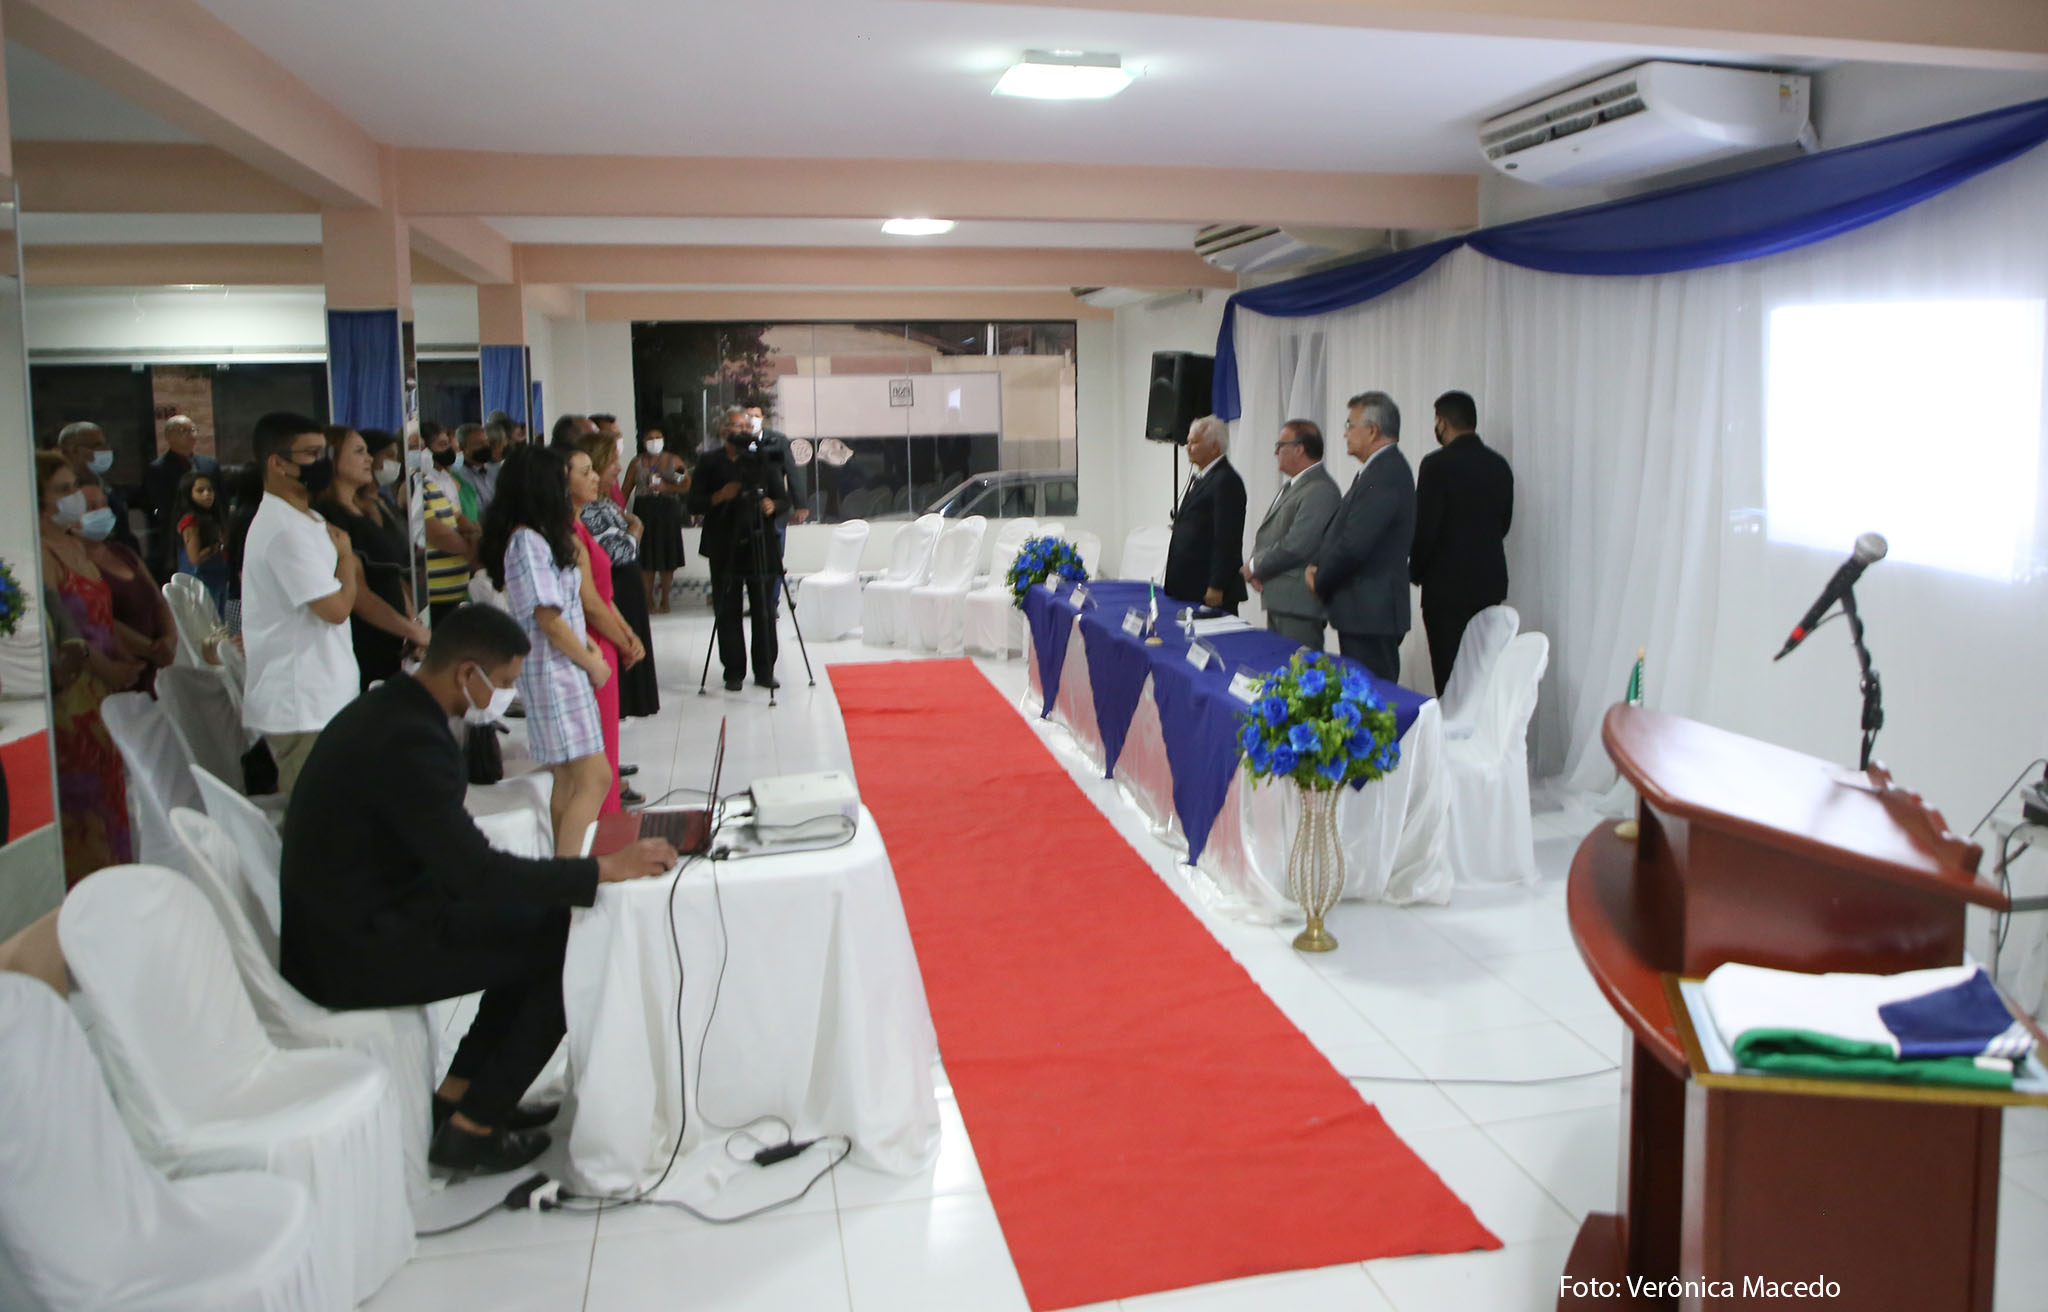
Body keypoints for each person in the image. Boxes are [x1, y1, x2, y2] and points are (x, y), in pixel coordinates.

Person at [277, 604, 676, 1175]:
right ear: (468, 672)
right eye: (505, 682)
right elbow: (476, 875)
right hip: (355, 950)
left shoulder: (394, 711)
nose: (506, 695)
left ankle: (460, 1096)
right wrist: (600, 871)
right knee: (568, 946)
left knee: (542, 928)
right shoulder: (410, 741)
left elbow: (458, 864)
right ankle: (474, 1128)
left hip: (363, 917)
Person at [481, 446, 613, 855]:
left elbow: (565, 608)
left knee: (569, 780)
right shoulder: (527, 541)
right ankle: (570, 872)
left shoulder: (540, 536)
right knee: (595, 778)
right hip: (555, 672)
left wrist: (586, 646)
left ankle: (564, 865)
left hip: (561, 665)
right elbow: (548, 619)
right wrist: (590, 661)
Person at [239, 412, 363, 802]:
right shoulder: (283, 531)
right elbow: (336, 609)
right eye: (310, 454)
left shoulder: (306, 517)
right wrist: (347, 560)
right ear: (277, 463)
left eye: (323, 452)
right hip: (303, 704)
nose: (321, 462)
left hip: (323, 695)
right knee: (317, 817)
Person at [36, 452, 139, 884]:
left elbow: (101, 614)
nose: (74, 497)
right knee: (85, 810)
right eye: (62, 490)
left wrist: (127, 654)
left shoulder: (74, 543)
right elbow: (68, 630)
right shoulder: (40, 554)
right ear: (39, 500)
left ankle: (116, 887)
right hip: (76, 698)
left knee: (111, 795)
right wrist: (107, 669)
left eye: (73, 487)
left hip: (103, 695)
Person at [1306, 392, 1416, 683]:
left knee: (1370, 697)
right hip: (1365, 612)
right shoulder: (1377, 471)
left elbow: (1354, 544)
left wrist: (1320, 579)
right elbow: (1342, 531)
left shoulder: (1385, 473)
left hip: (1372, 613)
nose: (1345, 433)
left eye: (1350, 425)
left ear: (1372, 431)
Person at [1411, 390, 1514, 695]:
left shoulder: (1436, 465)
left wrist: (1415, 571)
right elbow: (1504, 524)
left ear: (1442, 422)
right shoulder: (1499, 465)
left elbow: (1425, 528)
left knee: (1451, 677)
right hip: (1489, 584)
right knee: (1484, 672)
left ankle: (1453, 726)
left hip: (1446, 589)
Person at [565, 444, 646, 811]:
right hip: (594, 640)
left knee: (607, 738)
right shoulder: (569, 532)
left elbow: (602, 594)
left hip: (607, 636)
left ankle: (608, 814)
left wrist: (626, 634)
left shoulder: (580, 523)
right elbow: (590, 602)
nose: (595, 478)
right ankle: (601, 823)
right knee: (597, 745)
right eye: (585, 472)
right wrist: (624, 640)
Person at [319, 426, 431, 689]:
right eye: (359, 452)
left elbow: (389, 574)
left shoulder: (365, 509)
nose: (369, 459)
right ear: (333, 460)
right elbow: (358, 593)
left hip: (393, 636)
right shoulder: (331, 515)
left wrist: (411, 623)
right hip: (367, 641)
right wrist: (409, 629)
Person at [690, 411, 787, 691]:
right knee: (727, 609)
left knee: (764, 609)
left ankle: (765, 670)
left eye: (747, 425)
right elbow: (693, 503)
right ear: (724, 431)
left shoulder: (763, 458)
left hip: (760, 541)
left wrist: (773, 505)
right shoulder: (710, 461)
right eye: (737, 425)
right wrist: (721, 495)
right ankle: (733, 671)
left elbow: (784, 499)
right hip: (724, 542)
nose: (743, 430)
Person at [578, 431, 659, 722]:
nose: (618, 468)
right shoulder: (588, 509)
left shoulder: (605, 502)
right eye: (613, 461)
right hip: (614, 588)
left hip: (626, 587)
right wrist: (635, 529)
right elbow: (619, 552)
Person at [1242, 419, 1341, 651]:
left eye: (1280, 445)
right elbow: (1271, 533)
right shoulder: (1294, 486)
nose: (1275, 452)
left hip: (1299, 604)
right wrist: (1258, 567)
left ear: (1299, 449)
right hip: (1282, 599)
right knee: (1281, 666)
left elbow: (1298, 545)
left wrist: (1255, 566)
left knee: (1300, 670)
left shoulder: (1320, 489)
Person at [77, 483, 177, 694]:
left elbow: (158, 601)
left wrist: (169, 639)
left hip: (156, 671)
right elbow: (101, 620)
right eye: (91, 507)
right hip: (121, 674)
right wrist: (151, 650)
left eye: (103, 505)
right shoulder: (78, 565)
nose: (101, 512)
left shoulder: (123, 552)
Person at [1164, 414, 1248, 614]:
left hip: (1208, 588)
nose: (1187, 447)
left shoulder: (1226, 480)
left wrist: (1216, 585)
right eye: (1188, 442)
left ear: (1214, 447)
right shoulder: (1204, 477)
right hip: (1189, 585)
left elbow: (1227, 539)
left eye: (1194, 442)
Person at [143, 415, 218, 574]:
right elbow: (164, 506)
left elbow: (221, 500)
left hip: (212, 534)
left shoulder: (209, 464)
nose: (191, 435)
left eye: (193, 430)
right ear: (169, 436)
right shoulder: (158, 469)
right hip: (178, 537)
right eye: (184, 431)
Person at [57, 422, 144, 557]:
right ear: (74, 451)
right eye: (97, 446)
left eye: (106, 445)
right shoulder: (59, 496)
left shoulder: (109, 491)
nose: (106, 450)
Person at [421, 424, 479, 623]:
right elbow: (438, 533)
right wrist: (472, 549)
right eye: (442, 445)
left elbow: (460, 518)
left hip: (455, 591)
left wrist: (474, 533)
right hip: (436, 597)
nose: (450, 451)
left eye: (451, 446)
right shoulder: (418, 487)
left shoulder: (446, 480)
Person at [629, 426, 688, 612]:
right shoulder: (637, 462)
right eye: (650, 438)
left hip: (667, 510)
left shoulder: (674, 460)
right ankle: (647, 599)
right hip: (644, 510)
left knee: (667, 555)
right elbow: (625, 489)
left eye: (658, 437)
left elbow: (685, 484)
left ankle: (665, 599)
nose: (654, 441)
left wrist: (667, 487)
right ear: (643, 441)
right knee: (646, 557)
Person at [174, 467, 231, 616]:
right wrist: (219, 546)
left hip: (219, 577)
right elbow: (195, 558)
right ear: (189, 493)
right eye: (200, 491)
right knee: (208, 624)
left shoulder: (213, 517)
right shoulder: (191, 521)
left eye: (210, 490)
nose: (207, 494)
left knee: (221, 623)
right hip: (201, 580)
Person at [451, 423, 496, 523]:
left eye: (486, 442)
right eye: (478, 444)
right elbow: (475, 511)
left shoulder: (495, 471)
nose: (485, 446)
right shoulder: (459, 477)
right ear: (462, 448)